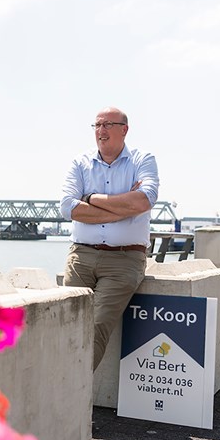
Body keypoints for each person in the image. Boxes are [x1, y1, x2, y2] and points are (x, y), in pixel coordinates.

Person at [59, 107, 159, 370]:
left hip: (124, 260)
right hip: (80, 257)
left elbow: (144, 200)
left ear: (124, 130)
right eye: (97, 125)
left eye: (107, 125)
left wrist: (90, 198)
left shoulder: (142, 160)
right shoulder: (80, 162)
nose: (100, 131)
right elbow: (68, 207)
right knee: (67, 325)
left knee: (94, 329)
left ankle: (74, 389)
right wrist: (124, 208)